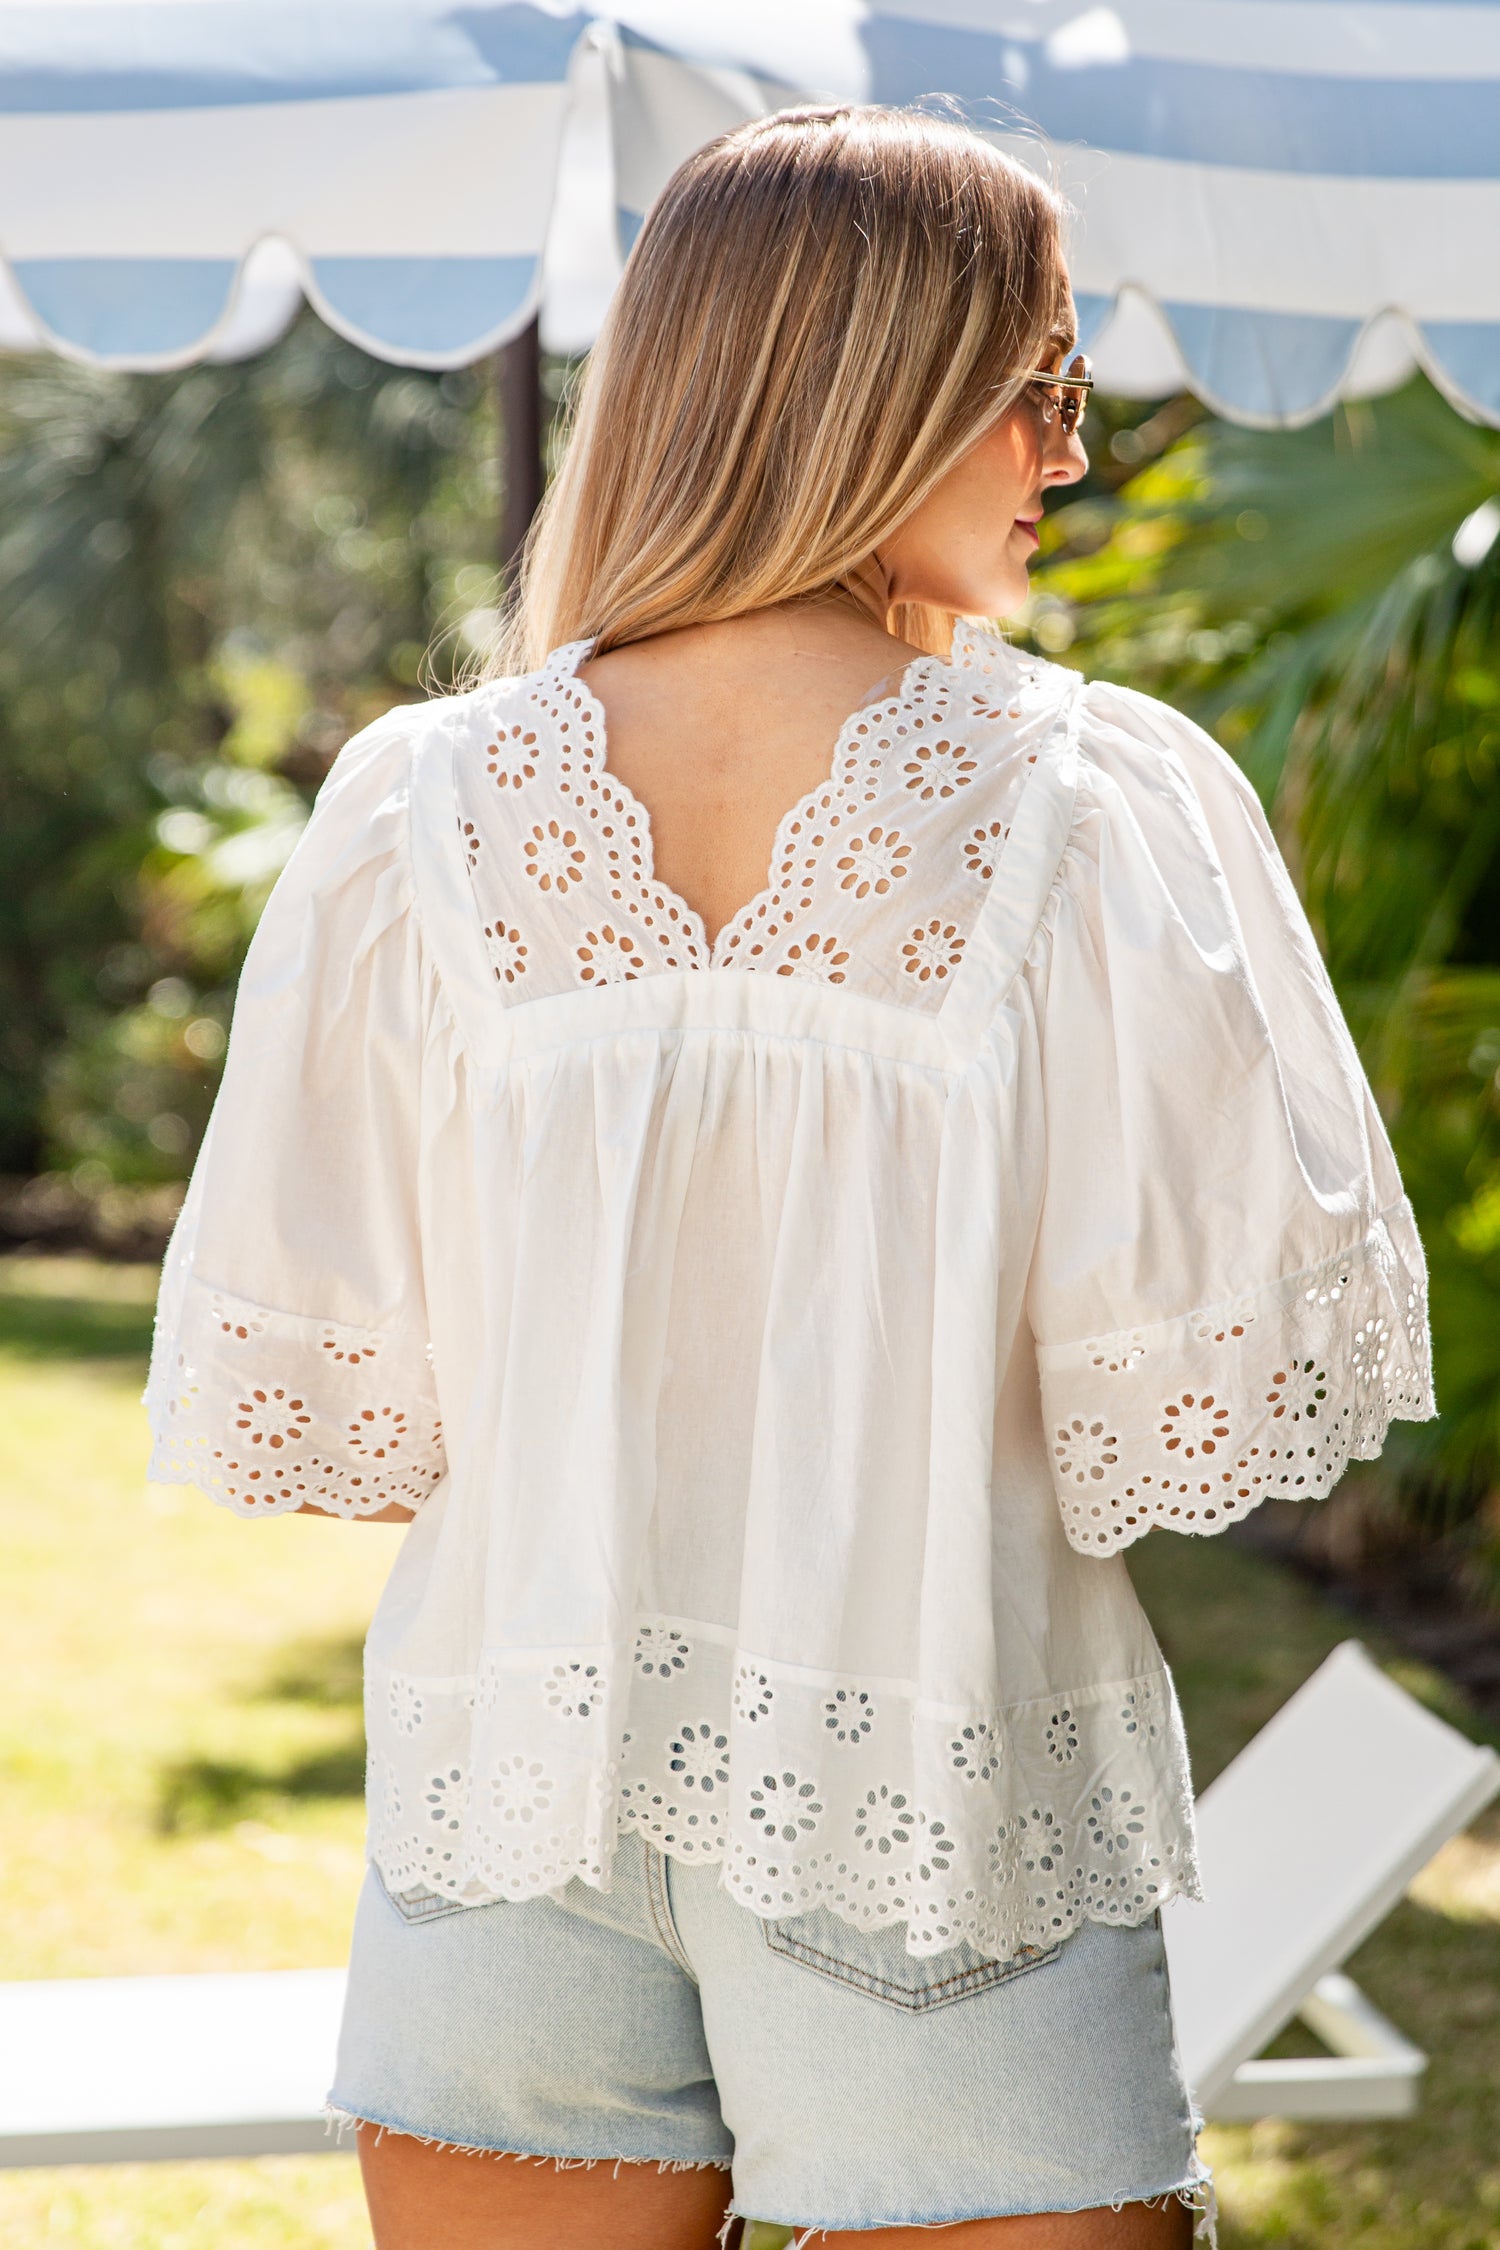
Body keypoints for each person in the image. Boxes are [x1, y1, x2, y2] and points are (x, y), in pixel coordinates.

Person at [145, 104, 1433, 2250]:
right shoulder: (1095, 811)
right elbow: (1172, 1418)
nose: (1070, 453)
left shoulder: (413, 808)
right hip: (938, 1788)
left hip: (506, 1795)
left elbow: (359, 1416)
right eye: (1040, 387)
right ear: (870, 394)